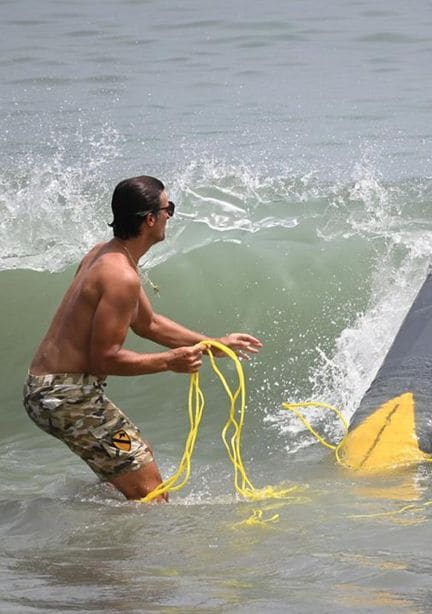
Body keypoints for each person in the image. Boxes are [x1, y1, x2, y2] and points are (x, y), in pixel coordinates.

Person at [24, 176, 263, 502]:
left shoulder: (105, 254)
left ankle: (94, 534)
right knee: (152, 493)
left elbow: (148, 323)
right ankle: (136, 547)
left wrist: (213, 345)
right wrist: (170, 361)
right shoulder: (120, 275)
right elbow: (104, 358)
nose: (170, 217)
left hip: (53, 392)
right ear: (150, 219)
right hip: (67, 397)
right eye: (169, 209)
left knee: (135, 457)